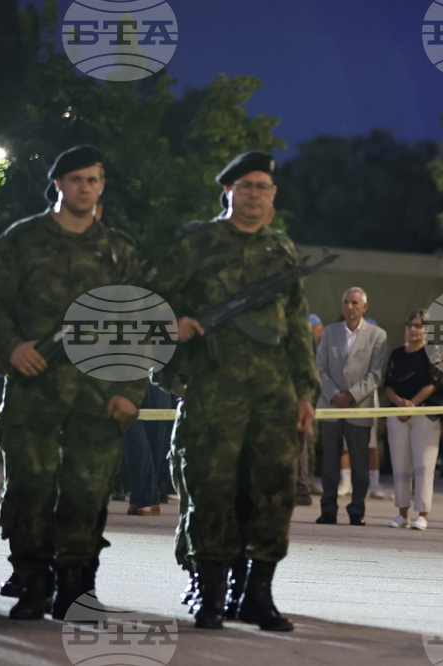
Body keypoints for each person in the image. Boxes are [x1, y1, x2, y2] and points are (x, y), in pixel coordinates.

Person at [145, 151, 318, 632]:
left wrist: (305, 392)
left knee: (272, 493)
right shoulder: (195, 244)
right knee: (211, 490)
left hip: (273, 394)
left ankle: (257, 594)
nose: (255, 196)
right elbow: (144, 298)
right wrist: (171, 325)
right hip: (213, 391)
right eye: (245, 187)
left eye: (263, 187)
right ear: (228, 192)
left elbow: (298, 330)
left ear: (273, 195)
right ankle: (211, 593)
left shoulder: (282, 251)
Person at [0, 145, 145, 620]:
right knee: (29, 486)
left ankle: (77, 587)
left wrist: (129, 389)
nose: (85, 188)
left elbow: (138, 324)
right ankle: (33, 580)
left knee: (88, 489)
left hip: (98, 394)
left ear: (101, 186)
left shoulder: (120, 251)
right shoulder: (23, 239)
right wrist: (11, 347)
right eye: (76, 179)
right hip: (35, 386)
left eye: (93, 180)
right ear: (58, 183)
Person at [315, 287, 387, 526]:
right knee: (329, 464)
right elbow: (320, 368)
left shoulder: (378, 335)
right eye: (346, 302)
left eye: (355, 302)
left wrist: (352, 396)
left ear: (364, 307)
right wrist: (335, 394)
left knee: (359, 464)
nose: (350, 307)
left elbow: (376, 374)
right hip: (330, 405)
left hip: (359, 406)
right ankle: (328, 510)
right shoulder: (329, 332)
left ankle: (357, 510)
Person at [384, 309, 443, 530]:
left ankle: (423, 514)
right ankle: (401, 512)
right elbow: (388, 384)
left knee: (424, 466)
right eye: (410, 326)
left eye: (418, 326)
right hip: (397, 415)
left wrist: (412, 404)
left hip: (424, 415)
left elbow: (433, 382)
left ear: (426, 330)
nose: (413, 330)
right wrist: (400, 403)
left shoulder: (432, 353)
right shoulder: (397, 354)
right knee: (400, 464)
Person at [296, 313, 325, 505]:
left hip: (299, 399)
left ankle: (302, 486)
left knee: (303, 443)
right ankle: (301, 486)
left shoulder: (303, 340)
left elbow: (310, 370)